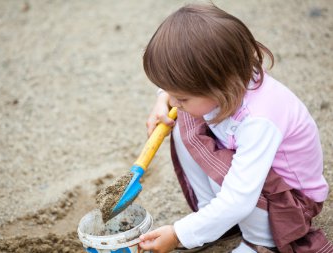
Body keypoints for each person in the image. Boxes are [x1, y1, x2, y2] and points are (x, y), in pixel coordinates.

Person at [138, 3, 332, 253]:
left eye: (181, 97)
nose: (174, 102)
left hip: (289, 202)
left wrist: (179, 234)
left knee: (227, 181)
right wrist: (162, 98)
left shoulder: (259, 120)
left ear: (218, 84)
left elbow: (239, 199)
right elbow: (187, 83)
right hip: (254, 180)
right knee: (182, 121)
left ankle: (261, 242)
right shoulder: (230, 75)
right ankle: (212, 215)